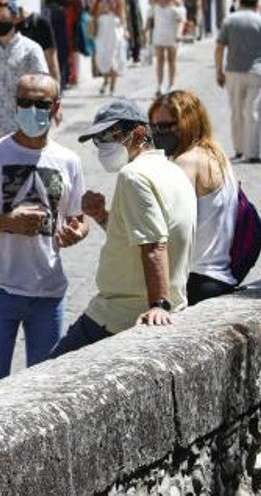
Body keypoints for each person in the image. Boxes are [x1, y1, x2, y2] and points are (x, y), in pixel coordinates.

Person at [0, 74, 87, 386]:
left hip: (49, 292)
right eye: (25, 102)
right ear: (15, 106)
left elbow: (77, 220)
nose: (32, 109)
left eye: (41, 104)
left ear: (55, 108)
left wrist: (77, 233)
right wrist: (6, 222)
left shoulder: (69, 161)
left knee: (44, 388)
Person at [50, 100, 196, 356]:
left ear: (140, 133)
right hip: (165, 307)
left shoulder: (133, 176)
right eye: (99, 140)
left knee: (47, 378)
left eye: (111, 136)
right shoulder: (173, 171)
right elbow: (142, 236)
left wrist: (158, 304)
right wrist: (103, 217)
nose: (104, 145)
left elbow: (155, 245)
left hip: (118, 315)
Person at [148, 91, 240, 303]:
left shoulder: (186, 162)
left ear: (187, 123)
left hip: (194, 281)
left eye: (164, 127)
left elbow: (168, 226)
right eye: (153, 127)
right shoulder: (218, 156)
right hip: (220, 278)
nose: (157, 134)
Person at [0, 0, 49, 143]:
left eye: (3, 18)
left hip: (22, 129)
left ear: (15, 18)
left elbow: (44, 87)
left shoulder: (31, 49)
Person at [215, 0, 261, 163]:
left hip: (234, 72)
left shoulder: (229, 20)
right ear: (257, 4)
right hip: (257, 73)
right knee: (254, 112)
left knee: (236, 112)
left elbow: (219, 47)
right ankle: (253, 152)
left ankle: (239, 149)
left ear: (239, 2)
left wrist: (219, 71)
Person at [0, 0, 61, 83]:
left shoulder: (39, 24)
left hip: (37, 89)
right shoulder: (4, 27)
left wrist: (55, 93)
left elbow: (52, 63)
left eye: (10, 9)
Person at [146, 0, 186, 96]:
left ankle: (171, 85)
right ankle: (159, 86)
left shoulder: (175, 1)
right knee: (159, 60)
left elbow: (181, 19)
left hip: (172, 34)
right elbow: (150, 16)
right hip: (159, 33)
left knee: (171, 60)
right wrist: (146, 29)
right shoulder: (155, 0)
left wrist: (179, 33)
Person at [90, 0, 127, 95]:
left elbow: (122, 14)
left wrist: (125, 29)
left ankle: (112, 86)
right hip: (102, 27)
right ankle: (105, 80)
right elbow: (92, 12)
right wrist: (100, 9)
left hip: (114, 27)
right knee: (102, 55)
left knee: (113, 56)